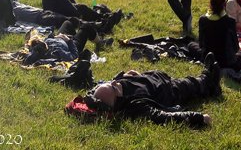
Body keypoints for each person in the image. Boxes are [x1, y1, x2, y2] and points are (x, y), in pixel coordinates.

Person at [84, 53, 221, 126]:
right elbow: (163, 117)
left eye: (110, 83)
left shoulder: (114, 90)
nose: (114, 82)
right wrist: (198, 118)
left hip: (157, 79)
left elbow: (93, 93)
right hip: (169, 90)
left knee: (183, 81)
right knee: (189, 84)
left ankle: (206, 79)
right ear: (118, 99)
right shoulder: (136, 107)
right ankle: (209, 82)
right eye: (113, 87)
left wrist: (127, 76)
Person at [188, 0, 241, 71]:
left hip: (208, 57)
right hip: (227, 62)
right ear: (224, 4)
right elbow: (236, 48)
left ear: (210, 3)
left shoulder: (203, 19)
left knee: (191, 45)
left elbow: (201, 44)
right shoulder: (230, 22)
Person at [23, 20, 98, 65]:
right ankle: (100, 42)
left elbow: (29, 55)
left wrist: (55, 37)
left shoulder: (37, 48)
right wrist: (69, 41)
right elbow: (74, 55)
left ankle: (78, 34)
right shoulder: (58, 53)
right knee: (86, 26)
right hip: (72, 44)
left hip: (60, 38)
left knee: (67, 23)